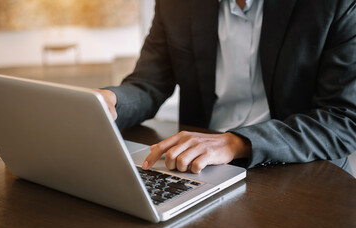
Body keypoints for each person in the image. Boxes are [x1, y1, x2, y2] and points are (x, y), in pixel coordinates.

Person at [95, 0, 356, 175]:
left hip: (298, 165)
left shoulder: (335, 4)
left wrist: (236, 142)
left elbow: (343, 120)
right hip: (200, 166)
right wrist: (110, 100)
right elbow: (148, 84)